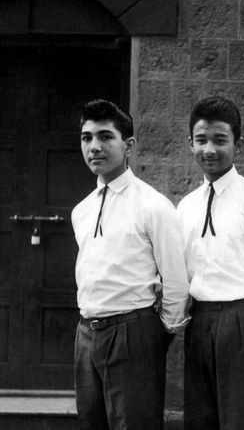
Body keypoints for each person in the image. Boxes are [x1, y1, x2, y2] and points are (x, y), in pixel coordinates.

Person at [72, 99, 189, 430]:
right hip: (87, 332)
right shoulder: (81, 210)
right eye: (87, 138)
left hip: (132, 331)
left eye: (106, 137)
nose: (95, 147)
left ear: (129, 145)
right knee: (92, 422)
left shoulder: (153, 206)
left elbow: (176, 282)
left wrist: (155, 335)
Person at [177, 96, 244, 430]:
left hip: (243, 320)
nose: (209, 150)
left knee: (242, 418)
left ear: (238, 143)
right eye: (201, 140)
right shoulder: (186, 206)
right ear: (190, 143)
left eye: (220, 140)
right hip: (199, 320)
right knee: (200, 416)